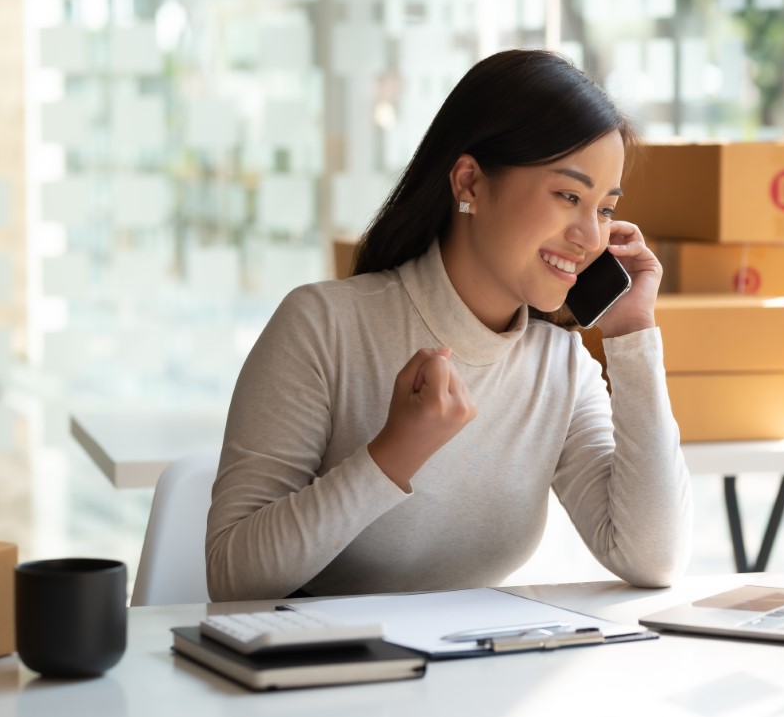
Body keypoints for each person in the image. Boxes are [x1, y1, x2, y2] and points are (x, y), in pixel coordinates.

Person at [206, 49, 692, 601]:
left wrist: (630, 335)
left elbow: (653, 557)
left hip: (471, 679)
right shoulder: (323, 327)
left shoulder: (559, 365)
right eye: (568, 196)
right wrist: (393, 453)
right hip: (315, 678)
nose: (591, 236)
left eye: (605, 209)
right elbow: (232, 577)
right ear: (470, 183)